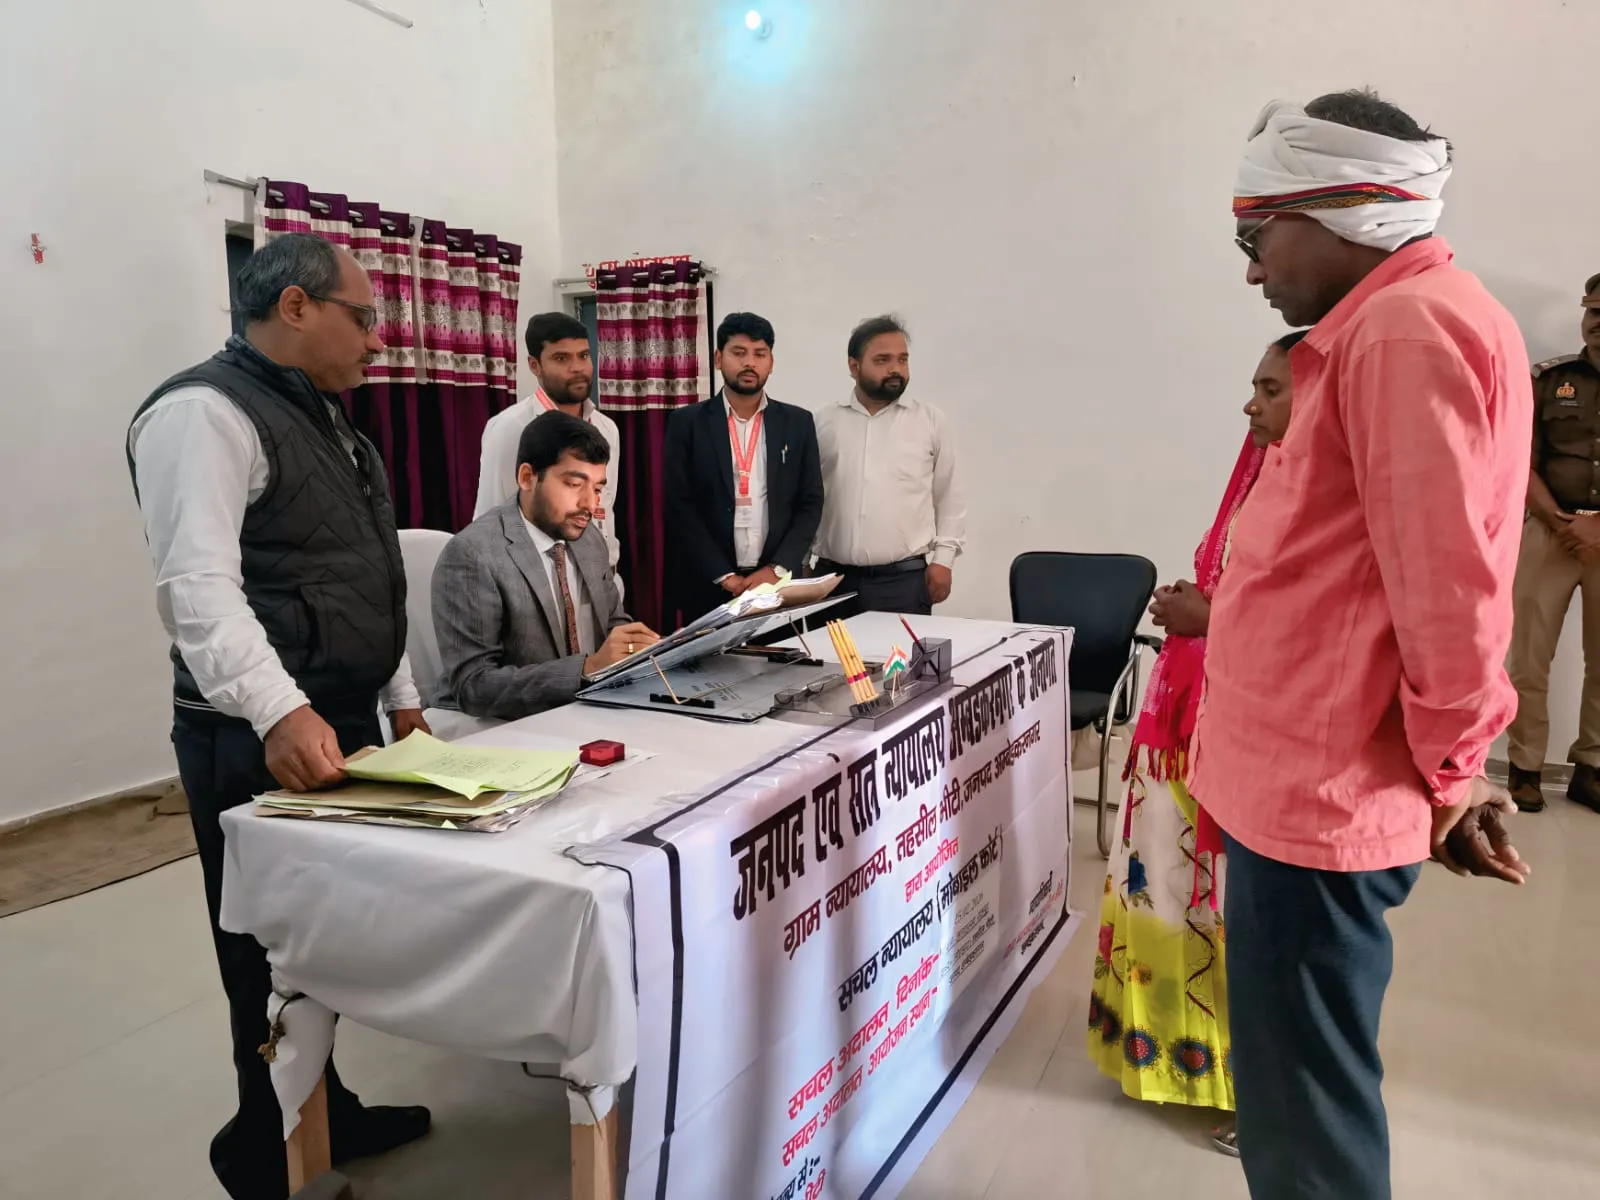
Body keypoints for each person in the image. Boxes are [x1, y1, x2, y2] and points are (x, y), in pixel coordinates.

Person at [1192, 90, 1532, 1200]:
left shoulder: (1401, 331)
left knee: (1306, 1124)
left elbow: (1448, 596)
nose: (1253, 271)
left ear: (1343, 210)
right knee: (1296, 1097)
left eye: (1259, 236)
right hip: (1309, 783)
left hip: (1321, 796)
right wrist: (1455, 772)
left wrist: (1453, 770)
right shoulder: (1399, 323)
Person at [127, 232, 431, 1200]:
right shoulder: (203, 413)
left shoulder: (330, 423)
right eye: (364, 317)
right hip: (255, 735)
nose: (378, 339)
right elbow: (198, 593)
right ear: (295, 307)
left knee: (328, 940)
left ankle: (325, 1109)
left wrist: (402, 699)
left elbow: (365, 579)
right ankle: (261, 1152)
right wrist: (278, 710)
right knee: (263, 953)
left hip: (336, 720)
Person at [1088, 331, 1304, 1154]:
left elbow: (1312, 616)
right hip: (1192, 717)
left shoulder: (1327, 490)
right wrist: (1200, 606)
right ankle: (1178, 1062)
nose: (1252, 404)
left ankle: (1265, 1096)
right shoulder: (1261, 472)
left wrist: (1210, 618)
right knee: (1169, 891)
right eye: (1256, 386)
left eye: (1272, 390)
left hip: (1257, 740)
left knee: (1245, 919)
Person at [434, 411, 658, 720]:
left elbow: (612, 624)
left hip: (579, 710)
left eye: (597, 489)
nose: (590, 504)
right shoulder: (472, 555)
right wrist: (587, 668)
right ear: (527, 477)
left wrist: (642, 648)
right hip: (489, 724)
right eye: (574, 484)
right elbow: (474, 687)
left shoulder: (588, 538)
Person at [1504, 274, 1600, 814]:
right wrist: (1562, 521)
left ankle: (1592, 769)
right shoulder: (1548, 378)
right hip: (1549, 530)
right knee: (1528, 658)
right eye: (1594, 312)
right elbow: (1520, 458)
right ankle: (1525, 768)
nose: (1599, 323)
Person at [663, 312, 824, 623]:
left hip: (776, 585)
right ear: (718, 358)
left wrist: (776, 568)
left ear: (771, 362)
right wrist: (723, 575)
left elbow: (810, 502)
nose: (750, 362)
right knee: (711, 657)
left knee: (780, 655)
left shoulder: (797, 423)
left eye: (760, 354)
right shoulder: (687, 423)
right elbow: (679, 505)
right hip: (708, 584)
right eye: (739, 352)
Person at [813, 316, 967, 616]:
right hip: (832, 582)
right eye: (882, 360)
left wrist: (944, 560)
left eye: (902, 359)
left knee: (901, 650)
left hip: (903, 582)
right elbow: (807, 498)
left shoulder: (930, 421)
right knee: (830, 650)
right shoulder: (823, 422)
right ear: (854, 366)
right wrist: (804, 563)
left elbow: (951, 496)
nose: (895, 369)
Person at [475, 312, 623, 599]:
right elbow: (490, 521)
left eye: (583, 355)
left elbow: (605, 507)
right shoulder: (512, 427)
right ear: (535, 365)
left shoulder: (607, 429)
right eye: (561, 358)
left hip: (603, 582)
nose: (577, 368)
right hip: (542, 593)